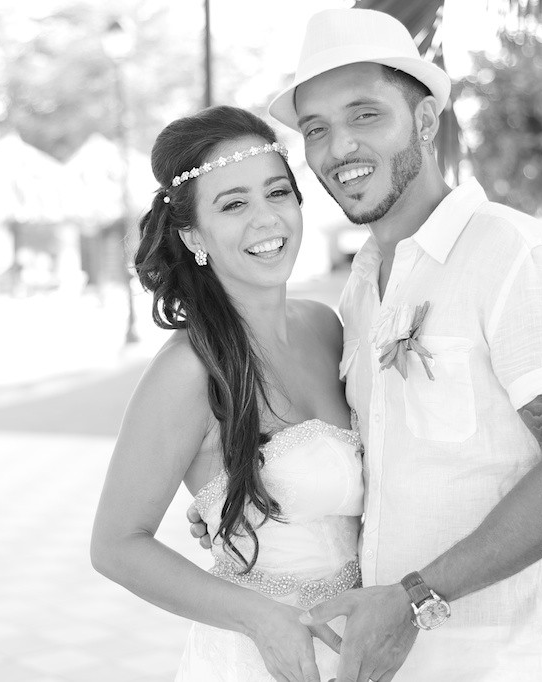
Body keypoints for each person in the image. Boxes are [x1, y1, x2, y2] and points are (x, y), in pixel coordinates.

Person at [189, 8, 542, 681]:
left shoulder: (516, 257)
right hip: (378, 659)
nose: (339, 148)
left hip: (504, 657)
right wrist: (249, 506)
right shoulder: (361, 291)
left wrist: (417, 599)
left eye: (365, 115)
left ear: (424, 120)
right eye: (316, 129)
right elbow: (382, 464)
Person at [91, 104, 365, 682]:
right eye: (234, 204)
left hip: (365, 646)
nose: (266, 219)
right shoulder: (190, 370)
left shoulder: (326, 327)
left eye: (277, 193)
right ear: (193, 234)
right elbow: (116, 545)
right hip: (259, 658)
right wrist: (261, 620)